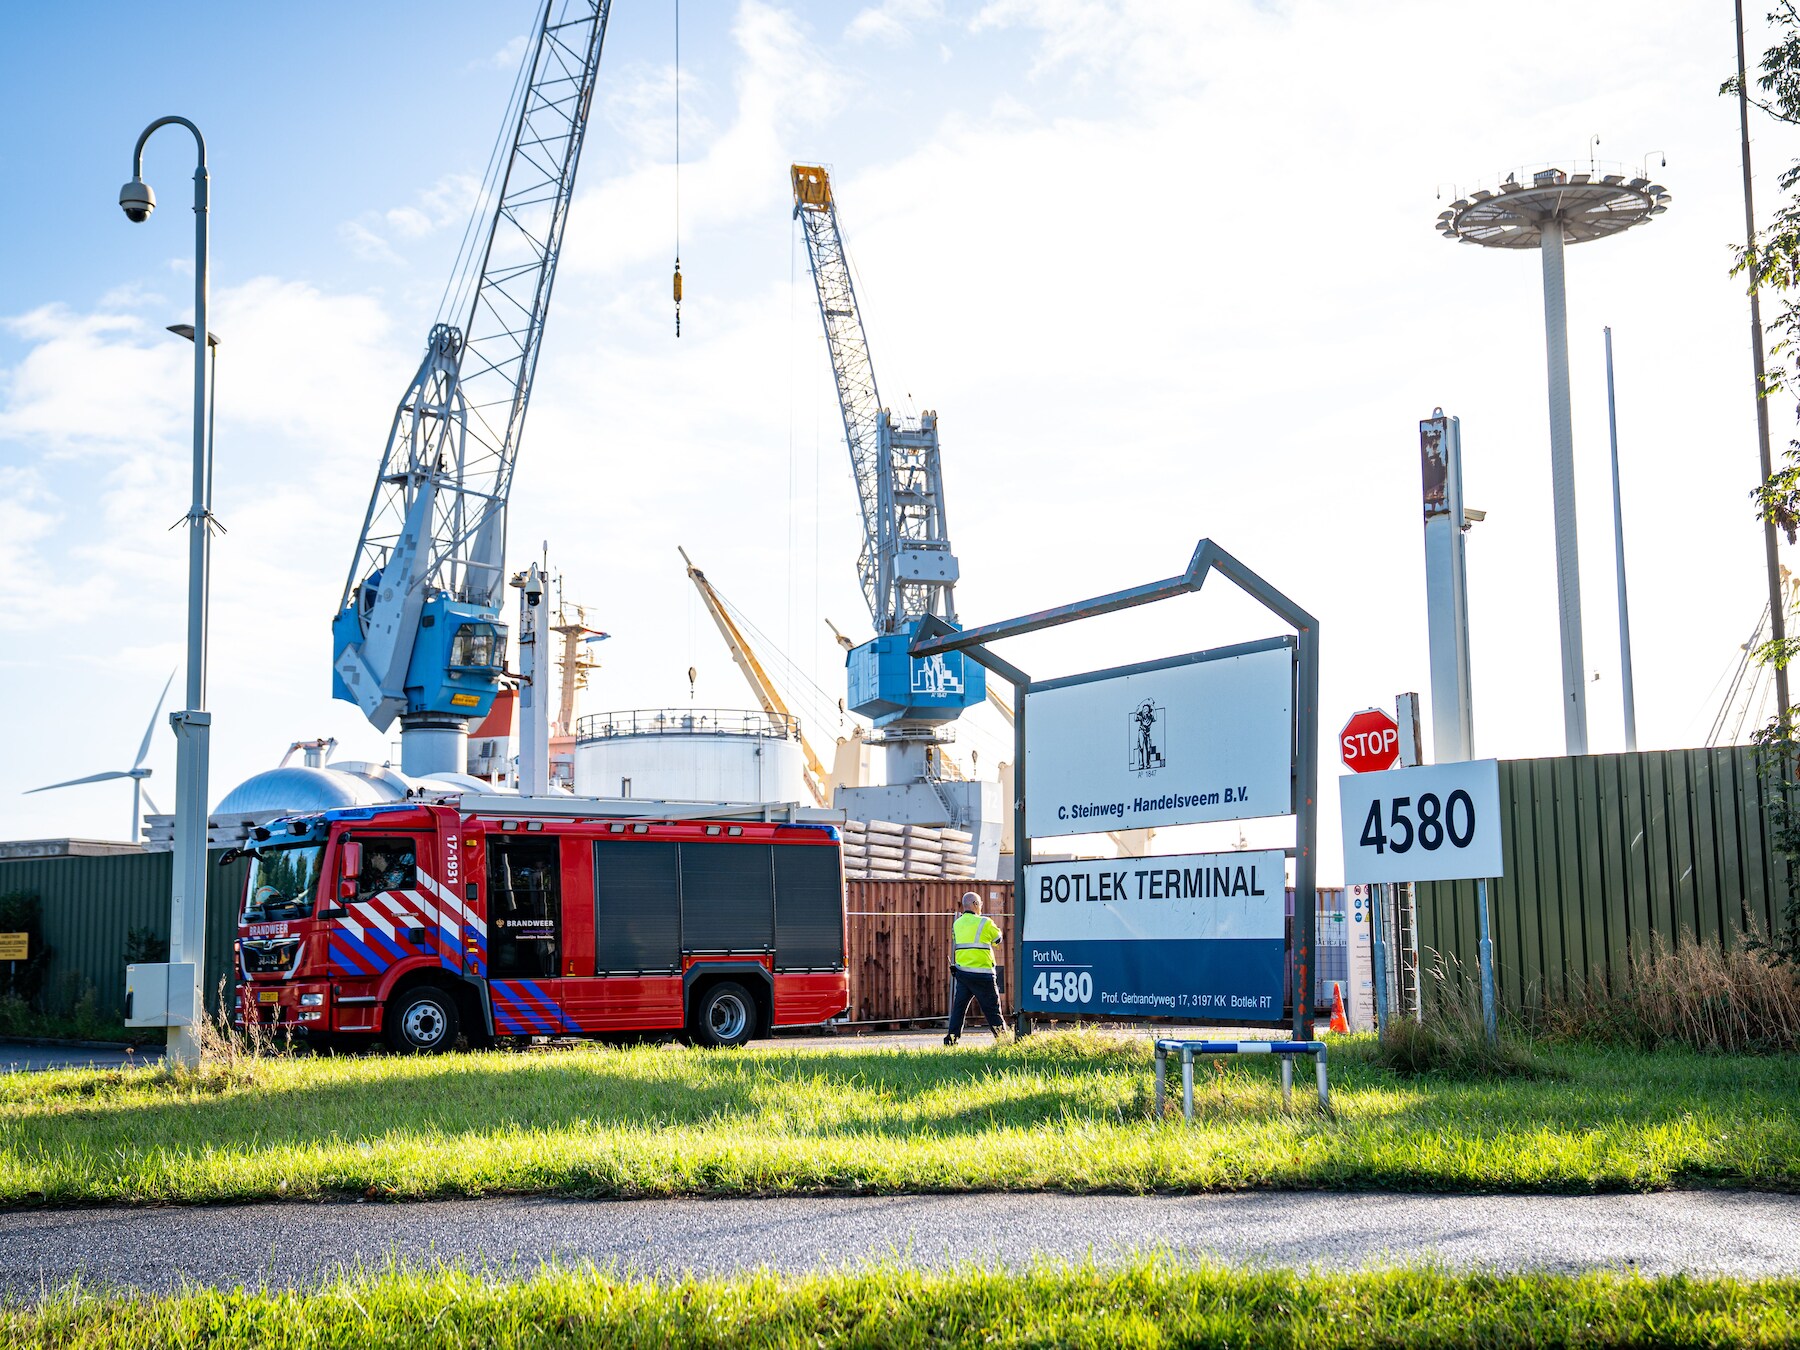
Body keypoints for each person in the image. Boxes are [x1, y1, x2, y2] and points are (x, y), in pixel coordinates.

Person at [945, 891, 1008, 1044]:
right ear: (975, 905)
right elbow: (997, 939)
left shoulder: (957, 924)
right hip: (983, 975)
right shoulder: (985, 922)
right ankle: (1004, 1040)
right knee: (992, 1009)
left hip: (963, 974)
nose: (981, 907)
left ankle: (951, 1040)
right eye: (980, 904)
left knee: (959, 1009)